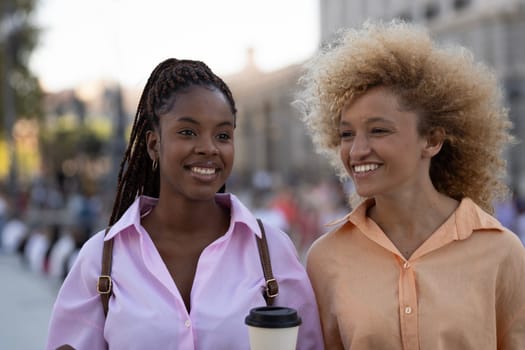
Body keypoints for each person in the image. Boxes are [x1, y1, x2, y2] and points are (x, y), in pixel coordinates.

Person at [46, 58, 323, 350]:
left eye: (223, 135)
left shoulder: (271, 252)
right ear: (154, 144)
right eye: (188, 132)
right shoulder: (101, 260)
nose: (208, 147)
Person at [296, 20, 525, 349]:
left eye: (378, 130)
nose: (357, 150)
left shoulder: (501, 252)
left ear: (431, 140)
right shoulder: (325, 258)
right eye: (346, 134)